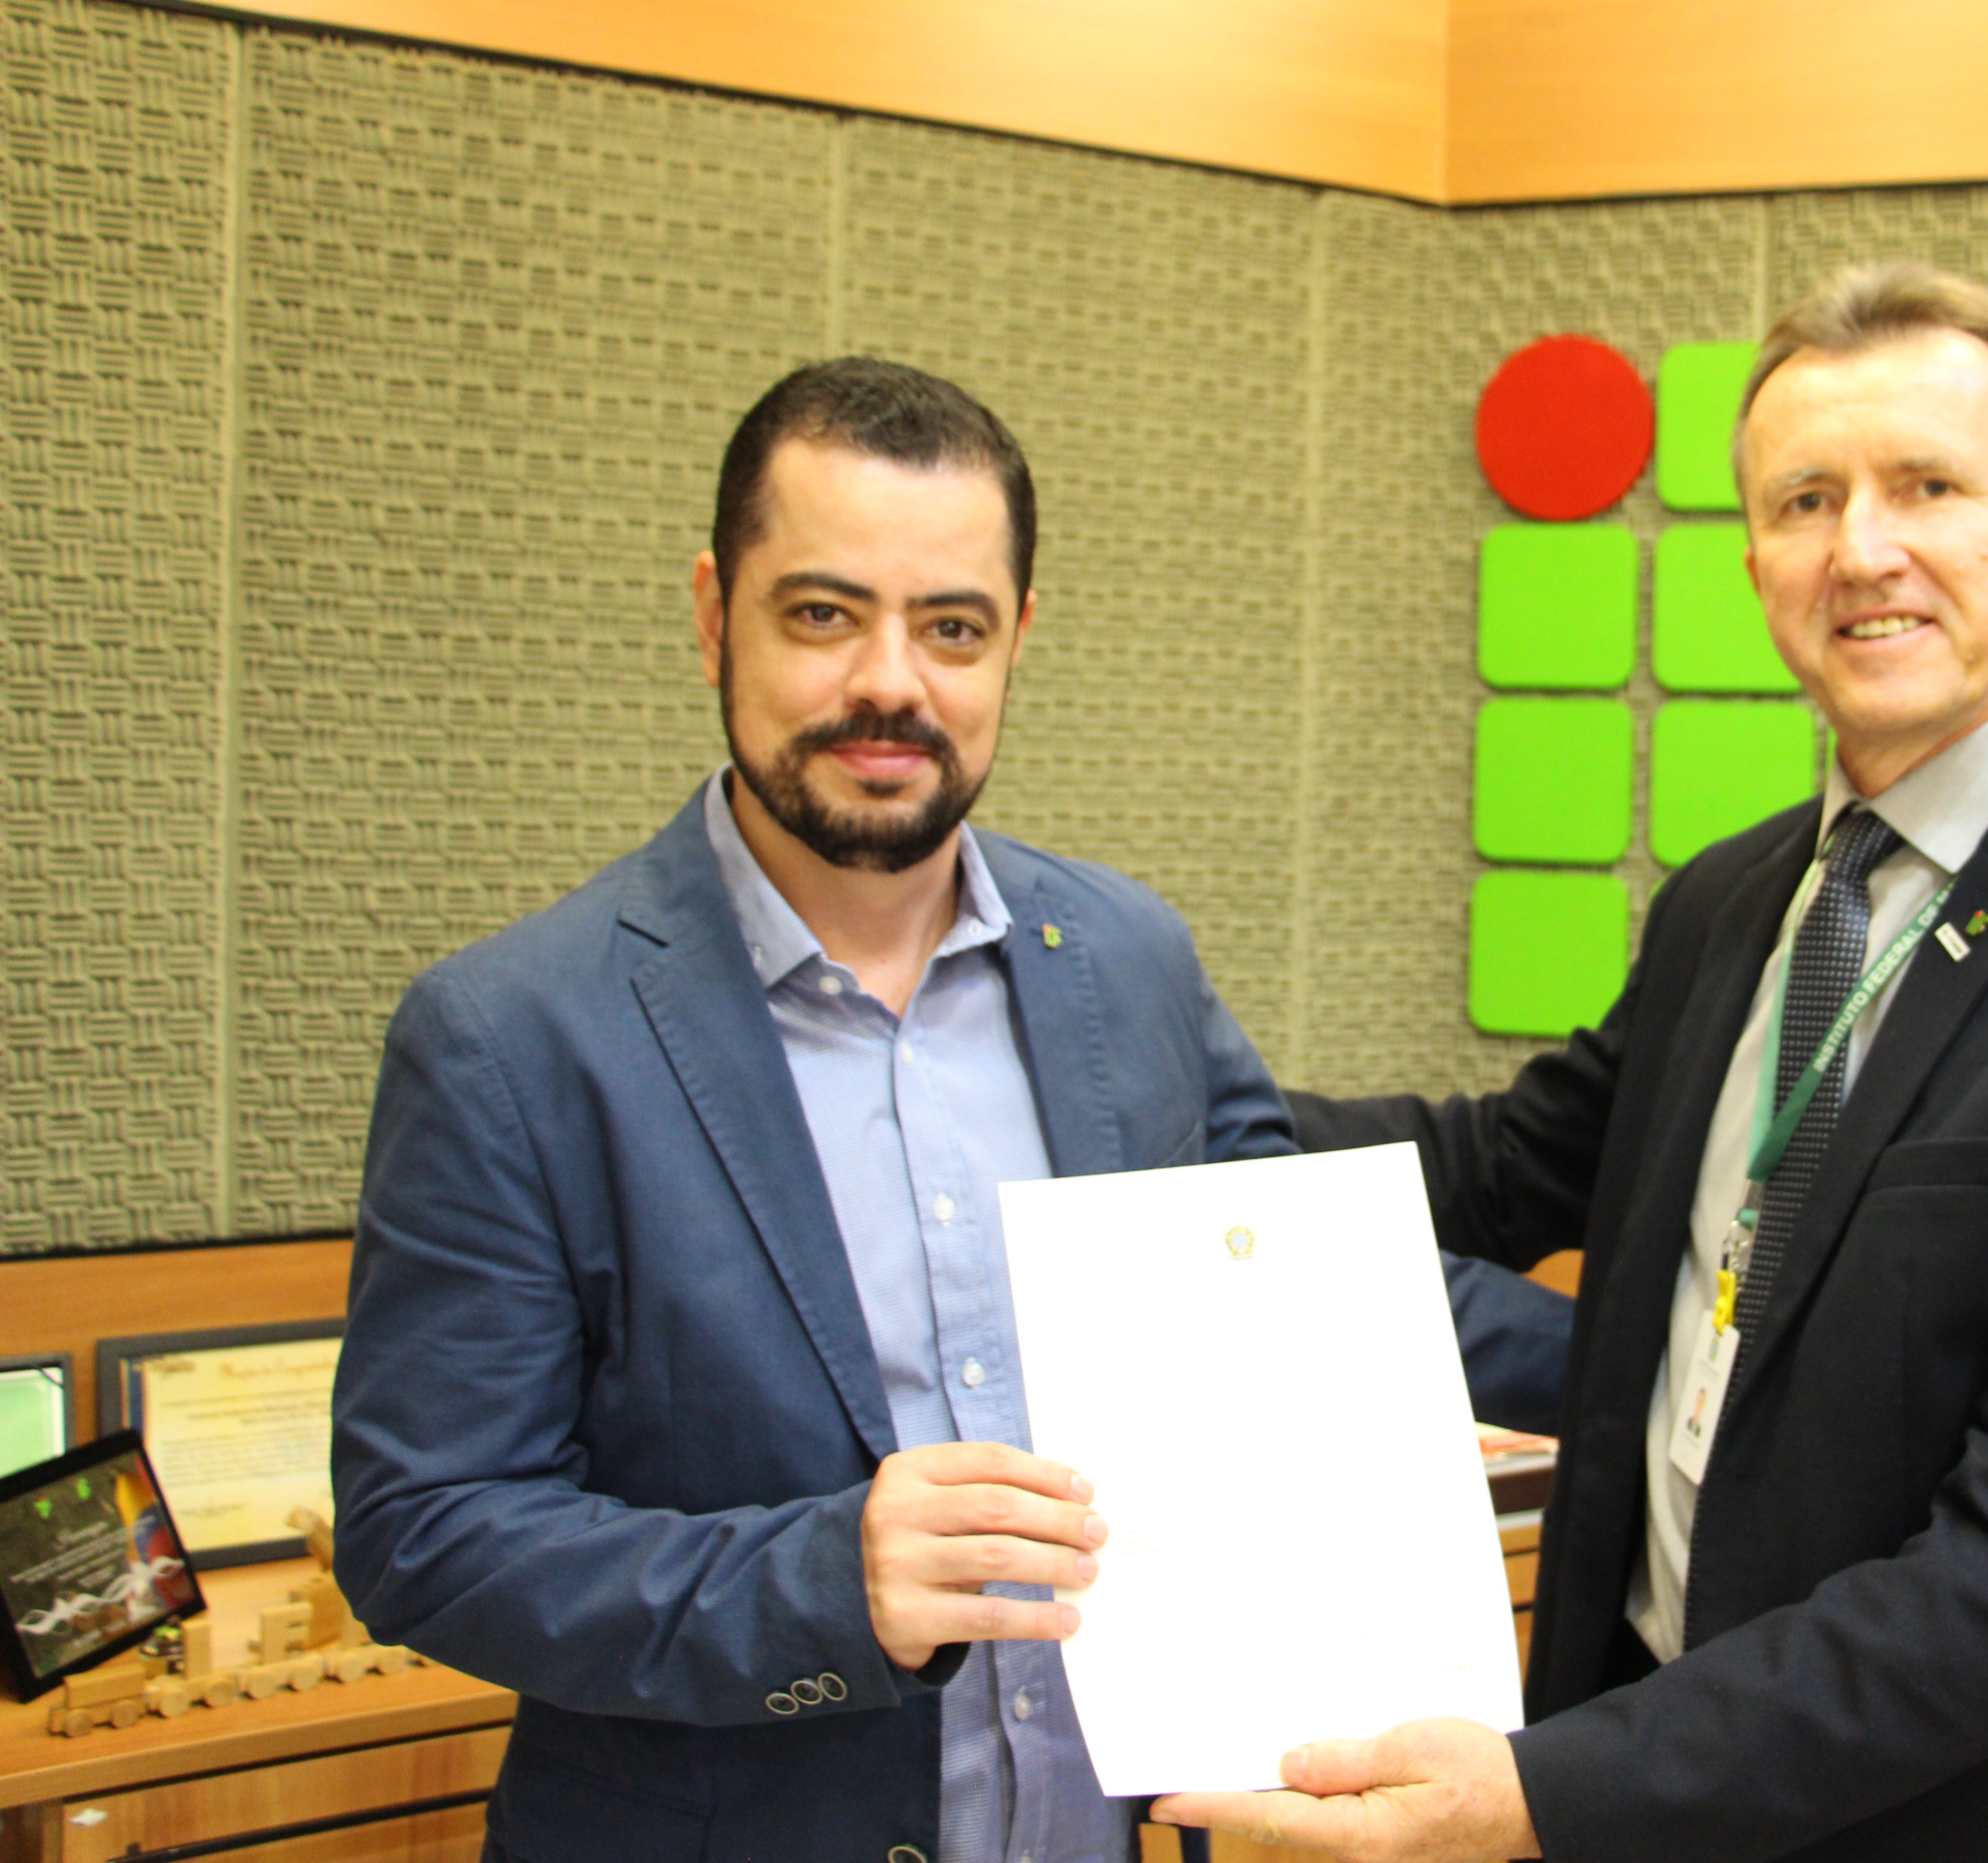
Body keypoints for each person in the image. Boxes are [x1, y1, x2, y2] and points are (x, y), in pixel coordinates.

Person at [1163, 264, 1988, 1863]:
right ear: (1754, 569)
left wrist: (1542, 1799)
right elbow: (1502, 1167)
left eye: (1926, 487)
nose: (1860, 548)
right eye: (1806, 500)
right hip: (1654, 1783)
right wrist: (1140, 1107)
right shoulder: (1734, 904)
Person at [330, 358, 1560, 1863]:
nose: (891, 683)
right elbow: (425, 1529)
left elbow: (1316, 1285)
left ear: (1018, 638)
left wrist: (1686, 1382)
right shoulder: (511, 1037)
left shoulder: (1126, 960)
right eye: (822, 614)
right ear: (714, 615)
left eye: (951, 628)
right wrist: (820, 1581)